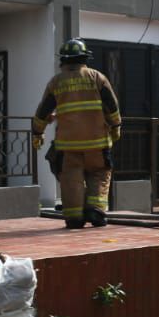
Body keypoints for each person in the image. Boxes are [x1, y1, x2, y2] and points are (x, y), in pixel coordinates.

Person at [32, 39, 122, 229]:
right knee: (98, 174)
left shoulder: (56, 82)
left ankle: (74, 218)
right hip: (97, 144)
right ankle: (96, 210)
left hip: (68, 146)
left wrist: (37, 133)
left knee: (71, 178)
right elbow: (111, 107)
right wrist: (116, 127)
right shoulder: (97, 77)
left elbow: (42, 112)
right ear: (84, 58)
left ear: (63, 60)